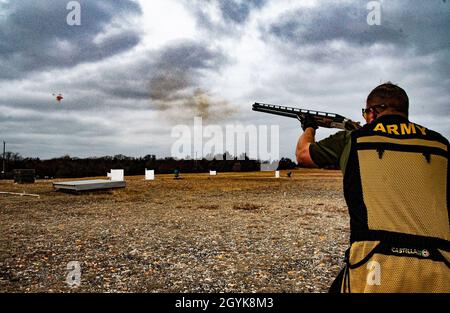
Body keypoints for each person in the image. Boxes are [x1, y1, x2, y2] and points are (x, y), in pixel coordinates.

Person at [296, 82, 450, 293]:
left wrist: (309, 127)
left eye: (365, 113)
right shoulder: (441, 144)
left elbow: (303, 154)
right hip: (441, 266)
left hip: (373, 264)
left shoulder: (353, 138)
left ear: (373, 112)